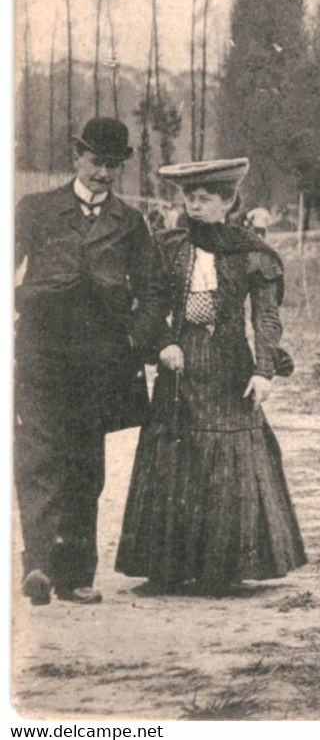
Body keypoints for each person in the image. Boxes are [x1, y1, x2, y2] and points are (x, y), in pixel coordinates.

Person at [116, 157, 306, 594]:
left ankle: (223, 569)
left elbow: (266, 318)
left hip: (229, 368)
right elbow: (148, 303)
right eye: (189, 198)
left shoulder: (251, 253)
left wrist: (264, 370)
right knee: (173, 453)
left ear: (227, 202)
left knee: (228, 457)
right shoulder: (169, 246)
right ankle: (167, 568)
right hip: (179, 367)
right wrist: (163, 342)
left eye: (204, 199)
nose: (194, 206)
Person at [15, 118, 164, 606]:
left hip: (97, 362)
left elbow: (154, 290)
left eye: (113, 166)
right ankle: (37, 565)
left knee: (84, 466)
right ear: (76, 157)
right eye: (96, 162)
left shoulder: (130, 222)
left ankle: (75, 575)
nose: (103, 173)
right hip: (39, 354)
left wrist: (131, 342)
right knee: (38, 459)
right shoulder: (35, 211)